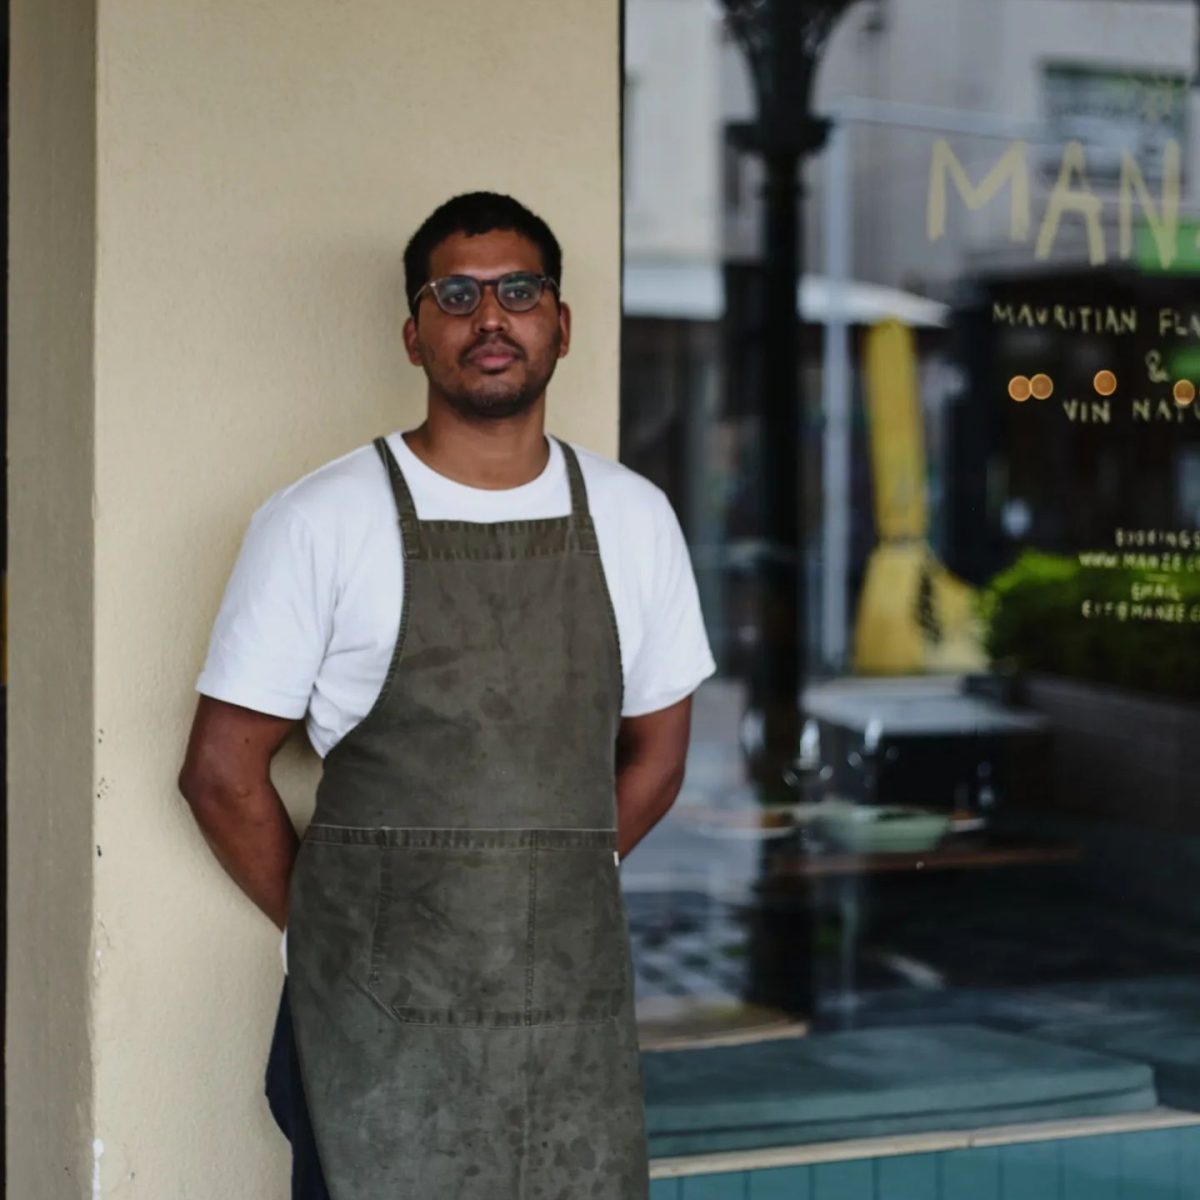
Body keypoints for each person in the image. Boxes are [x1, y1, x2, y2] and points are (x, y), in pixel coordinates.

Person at [178, 191, 716, 1199]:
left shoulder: (636, 520)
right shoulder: (320, 520)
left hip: (565, 1005)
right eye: (456, 294)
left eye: (519, 290)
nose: (490, 318)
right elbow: (220, 776)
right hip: (372, 1014)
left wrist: (547, 879)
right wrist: (340, 927)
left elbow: (660, 755)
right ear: (414, 335)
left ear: (561, 323)